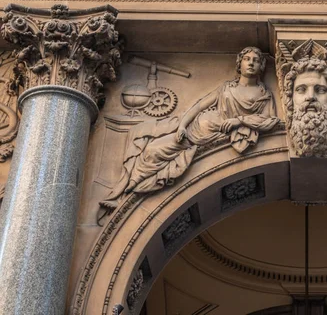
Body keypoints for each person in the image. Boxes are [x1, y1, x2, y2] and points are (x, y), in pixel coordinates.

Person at [99, 47, 280, 218]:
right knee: (151, 150)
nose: (251, 63)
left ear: (262, 66)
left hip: (212, 139)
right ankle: (122, 193)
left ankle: (128, 191)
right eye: (247, 59)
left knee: (157, 157)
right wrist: (182, 126)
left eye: (256, 60)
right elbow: (199, 106)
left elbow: (270, 120)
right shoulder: (226, 88)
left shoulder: (263, 94)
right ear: (239, 64)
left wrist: (239, 120)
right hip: (191, 133)